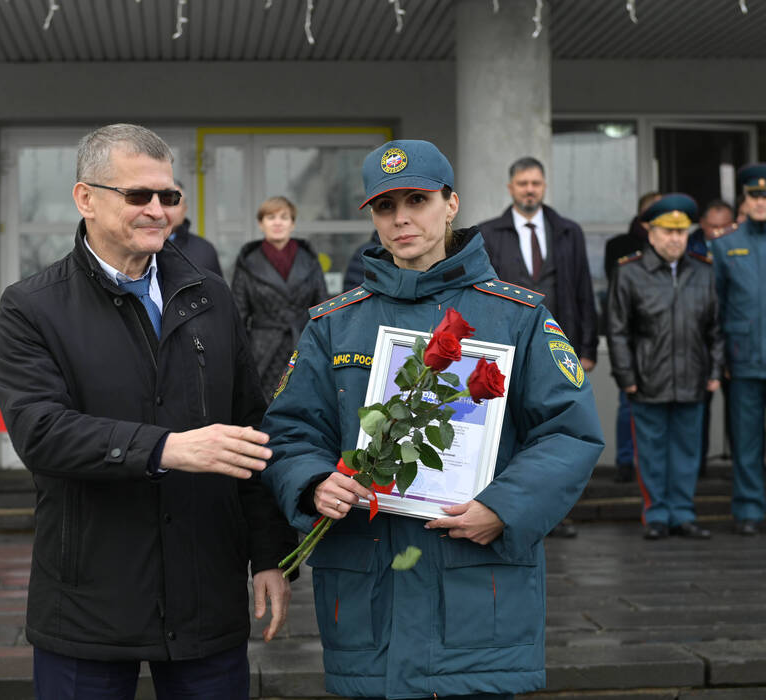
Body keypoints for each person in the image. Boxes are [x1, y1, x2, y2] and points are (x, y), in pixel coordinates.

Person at [261, 139, 604, 699]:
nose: (401, 219)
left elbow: (569, 430)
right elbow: (291, 432)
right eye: (384, 207)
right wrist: (311, 483)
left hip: (476, 591)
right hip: (367, 594)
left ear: (451, 204)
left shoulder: (516, 317)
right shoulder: (333, 326)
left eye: (417, 200)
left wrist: (503, 507)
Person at [0, 124, 296, 700]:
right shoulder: (31, 307)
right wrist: (166, 448)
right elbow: (41, 431)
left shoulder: (212, 295)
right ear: (86, 198)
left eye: (170, 196)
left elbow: (252, 429)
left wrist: (269, 554)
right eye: (139, 196)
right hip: (89, 604)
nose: (159, 210)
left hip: (206, 597)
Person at [478, 156, 598, 538]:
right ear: (511, 187)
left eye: (536, 183)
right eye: (523, 183)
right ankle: (508, 509)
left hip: (556, 350)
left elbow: (582, 291)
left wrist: (587, 347)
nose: (530, 189)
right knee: (509, 431)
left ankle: (556, 514)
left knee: (556, 431)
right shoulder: (488, 233)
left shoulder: (568, 232)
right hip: (503, 349)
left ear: (544, 187)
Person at [607, 194, 723, 540]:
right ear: (651, 233)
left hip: (693, 379)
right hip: (647, 380)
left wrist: (715, 372)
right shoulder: (629, 272)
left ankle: (683, 514)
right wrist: (626, 377)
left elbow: (716, 328)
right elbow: (617, 330)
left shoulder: (704, 271)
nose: (675, 239)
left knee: (687, 453)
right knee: (653, 453)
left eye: (681, 232)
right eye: (667, 231)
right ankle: (656, 514)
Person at [710, 164, 766, 536]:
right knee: (746, 442)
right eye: (755, 195)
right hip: (744, 359)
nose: (762, 202)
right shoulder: (726, 244)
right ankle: (749, 508)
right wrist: (722, 358)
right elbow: (716, 307)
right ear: (744, 201)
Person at [231, 196, 328, 402]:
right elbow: (237, 315)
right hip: (262, 352)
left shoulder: (309, 259)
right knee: (264, 413)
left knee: (303, 407)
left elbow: (322, 308)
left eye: (284, 217)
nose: (277, 222)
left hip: (303, 346)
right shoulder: (248, 262)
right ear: (261, 223)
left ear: (292, 224)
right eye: (270, 217)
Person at [603, 191, 661, 483]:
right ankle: (626, 462)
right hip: (635, 340)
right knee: (629, 406)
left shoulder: (675, 248)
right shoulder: (620, 247)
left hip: (666, 342)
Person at [688, 199, 735, 475]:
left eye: (725, 227)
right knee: (698, 412)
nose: (718, 233)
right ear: (702, 225)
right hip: (701, 345)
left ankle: (739, 465)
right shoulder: (688, 248)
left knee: (741, 415)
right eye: (713, 227)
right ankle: (698, 468)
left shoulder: (743, 249)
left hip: (737, 344)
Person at [168, 179, 224, 276]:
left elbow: (216, 289)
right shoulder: (142, 247)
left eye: (175, 203)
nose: (169, 210)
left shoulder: (205, 250)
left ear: (184, 209)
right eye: (165, 203)